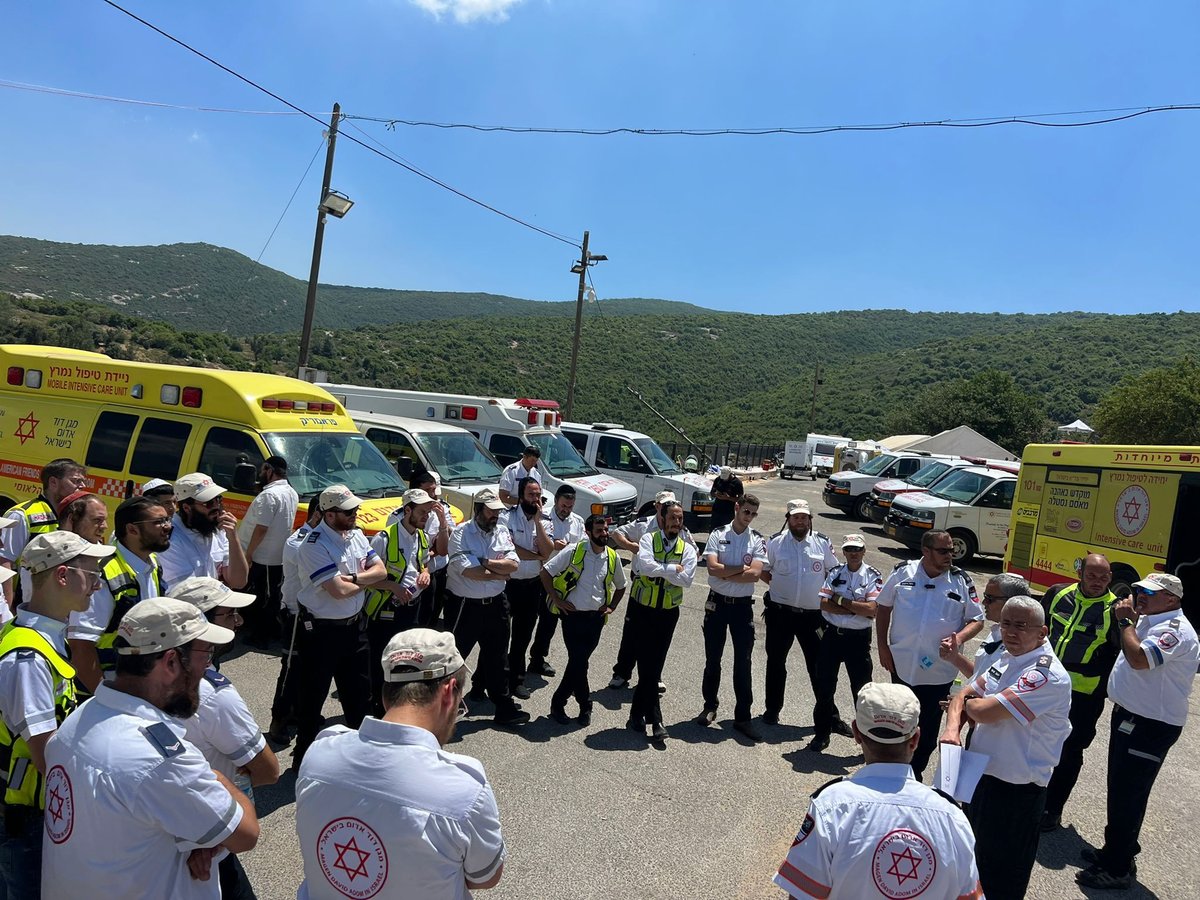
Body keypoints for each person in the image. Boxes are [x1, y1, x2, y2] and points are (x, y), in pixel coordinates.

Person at [41, 597, 259, 898]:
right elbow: (246, 834)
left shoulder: (78, 720)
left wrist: (201, 840)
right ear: (170, 662)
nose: (208, 665)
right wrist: (219, 779)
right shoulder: (159, 759)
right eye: (205, 653)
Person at [295, 629, 504, 899]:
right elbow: (485, 876)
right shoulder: (464, 789)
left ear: (386, 694)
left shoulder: (319, 753)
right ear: (450, 691)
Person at [773, 682, 981, 900]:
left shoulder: (831, 806)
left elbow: (802, 894)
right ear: (916, 739)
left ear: (856, 733)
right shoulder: (952, 817)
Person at [0, 533, 113, 896]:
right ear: (62, 576)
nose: (97, 586)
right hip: (25, 820)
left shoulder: (41, 637)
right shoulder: (28, 658)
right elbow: (46, 755)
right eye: (91, 575)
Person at [941, 596, 1071, 900]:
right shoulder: (1008, 657)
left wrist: (965, 706)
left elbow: (983, 711)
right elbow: (964, 693)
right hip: (982, 776)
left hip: (1016, 789)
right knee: (973, 861)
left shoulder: (1045, 674)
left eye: (1021, 626)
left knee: (1003, 877)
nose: (1011, 632)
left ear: (1043, 632)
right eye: (1007, 624)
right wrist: (953, 724)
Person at [1076, 572, 1199, 891]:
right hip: (1131, 716)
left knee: (1128, 795)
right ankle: (1118, 852)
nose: (1141, 595)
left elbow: (1140, 658)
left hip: (1151, 724)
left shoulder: (1174, 630)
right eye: (1140, 589)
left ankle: (1117, 870)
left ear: (1171, 599)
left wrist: (1125, 623)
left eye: (1151, 592)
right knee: (1119, 790)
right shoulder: (1150, 617)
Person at [170, 576, 278, 900]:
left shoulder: (148, 679)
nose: (239, 621)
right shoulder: (214, 694)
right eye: (229, 614)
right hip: (210, 836)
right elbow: (268, 771)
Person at [875, 530, 984, 778]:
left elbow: (976, 619)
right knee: (899, 718)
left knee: (928, 725)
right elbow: (883, 608)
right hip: (901, 663)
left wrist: (959, 638)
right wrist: (883, 646)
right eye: (944, 551)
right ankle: (894, 767)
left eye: (952, 550)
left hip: (938, 670)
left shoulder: (960, 580)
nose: (951, 555)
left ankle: (916, 772)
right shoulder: (903, 572)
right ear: (926, 551)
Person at [292, 486, 388, 767]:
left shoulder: (356, 535)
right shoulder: (313, 544)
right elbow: (337, 591)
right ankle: (303, 760)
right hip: (321, 632)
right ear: (329, 514)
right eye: (348, 512)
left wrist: (353, 579)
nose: (355, 514)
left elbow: (382, 571)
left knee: (360, 697)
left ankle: (359, 759)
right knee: (313, 699)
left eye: (355, 509)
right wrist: (363, 581)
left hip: (354, 628)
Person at [1038, 553, 1121, 832]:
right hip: (1044, 684)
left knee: (1070, 751)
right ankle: (1029, 796)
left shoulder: (1114, 610)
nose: (1098, 582)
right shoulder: (1058, 594)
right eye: (1092, 575)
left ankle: (1053, 809)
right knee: (1034, 741)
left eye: (1104, 577)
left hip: (1084, 694)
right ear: (1080, 574)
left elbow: (1118, 655)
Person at [68, 495, 170, 695]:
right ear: (132, 529)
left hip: (137, 682)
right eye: (158, 522)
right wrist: (104, 696)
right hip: (106, 687)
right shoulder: (102, 573)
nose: (167, 526)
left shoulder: (154, 563)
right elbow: (81, 645)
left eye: (167, 520)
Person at [444, 488, 528, 727]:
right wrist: (498, 575)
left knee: (498, 657)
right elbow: (469, 571)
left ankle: (503, 706)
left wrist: (486, 563)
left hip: (496, 605)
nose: (496, 516)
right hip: (465, 606)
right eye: (492, 511)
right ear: (479, 509)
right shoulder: (461, 534)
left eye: (498, 512)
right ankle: (445, 708)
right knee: (454, 657)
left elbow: (513, 564)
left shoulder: (501, 531)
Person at [760, 499, 839, 732]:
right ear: (788, 519)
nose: (800, 521)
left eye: (804, 517)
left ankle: (829, 716)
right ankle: (772, 710)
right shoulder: (775, 543)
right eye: (796, 517)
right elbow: (764, 570)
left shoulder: (822, 543)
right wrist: (778, 586)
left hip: (812, 616)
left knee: (818, 667)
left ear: (810, 520)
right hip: (780, 614)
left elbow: (833, 572)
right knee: (775, 663)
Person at [541, 515, 627, 725]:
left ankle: (562, 702)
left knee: (578, 662)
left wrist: (612, 606)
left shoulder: (612, 557)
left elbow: (621, 585)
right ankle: (581, 704)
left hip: (595, 619)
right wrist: (556, 599)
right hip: (572, 617)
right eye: (599, 531)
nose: (604, 534)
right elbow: (546, 572)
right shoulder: (574, 551)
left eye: (605, 530)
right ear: (588, 533)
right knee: (579, 661)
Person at [608, 490, 697, 692]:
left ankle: (653, 676)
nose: (674, 518)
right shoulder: (644, 525)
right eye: (663, 505)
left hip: (667, 598)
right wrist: (633, 547)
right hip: (642, 593)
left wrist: (659, 569)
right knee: (632, 637)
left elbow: (690, 567)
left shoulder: (681, 530)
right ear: (658, 506)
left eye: (677, 513)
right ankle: (622, 673)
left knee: (660, 643)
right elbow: (616, 533)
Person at [697, 495, 767, 741]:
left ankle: (743, 717)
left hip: (741, 608)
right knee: (713, 658)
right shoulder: (718, 533)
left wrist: (726, 573)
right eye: (746, 511)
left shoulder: (756, 539)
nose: (748, 517)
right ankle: (709, 706)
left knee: (743, 661)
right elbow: (712, 569)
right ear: (737, 508)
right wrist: (739, 570)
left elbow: (756, 575)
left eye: (753, 514)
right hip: (717, 604)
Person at [807, 533, 883, 752]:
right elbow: (824, 604)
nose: (853, 553)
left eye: (857, 549)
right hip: (833, 637)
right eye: (849, 549)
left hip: (858, 641)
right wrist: (854, 607)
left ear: (864, 551)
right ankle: (821, 734)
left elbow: (871, 610)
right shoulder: (835, 572)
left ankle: (868, 742)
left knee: (862, 692)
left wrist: (839, 600)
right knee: (824, 688)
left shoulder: (872, 575)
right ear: (844, 552)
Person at [627, 503, 697, 740]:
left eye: (680, 519)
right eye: (673, 518)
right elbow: (645, 568)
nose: (677, 523)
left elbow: (687, 579)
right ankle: (656, 720)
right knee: (648, 665)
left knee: (653, 665)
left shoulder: (686, 548)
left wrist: (661, 569)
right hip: (642, 609)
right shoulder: (649, 539)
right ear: (663, 518)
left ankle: (636, 714)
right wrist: (671, 569)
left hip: (667, 613)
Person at [366, 489, 434, 716]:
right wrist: (393, 587)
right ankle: (378, 706)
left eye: (428, 512)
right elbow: (367, 579)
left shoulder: (422, 536)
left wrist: (426, 574)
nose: (427, 516)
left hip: (411, 608)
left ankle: (398, 704)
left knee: (405, 658)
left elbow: (423, 563)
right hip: (386, 609)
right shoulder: (383, 539)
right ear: (407, 510)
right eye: (422, 512)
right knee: (382, 661)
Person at [267, 503, 321, 744]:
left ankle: (300, 713)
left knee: (311, 668)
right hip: (297, 614)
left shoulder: (327, 539)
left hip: (319, 615)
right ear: (319, 513)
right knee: (291, 669)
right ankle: (278, 720)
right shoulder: (297, 541)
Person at [1, 458, 88, 606]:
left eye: (82, 481)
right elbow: (4, 561)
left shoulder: (73, 516)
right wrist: (7, 608)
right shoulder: (23, 514)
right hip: (24, 605)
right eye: (75, 481)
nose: (82, 486)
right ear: (53, 482)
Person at [237, 455, 299, 647]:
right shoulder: (291, 492)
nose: (261, 474)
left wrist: (248, 555)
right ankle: (270, 630)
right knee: (271, 597)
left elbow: (261, 528)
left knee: (261, 598)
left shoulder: (269, 496)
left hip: (261, 556)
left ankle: (261, 636)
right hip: (276, 556)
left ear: (270, 470)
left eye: (263, 470)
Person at [527, 484, 586, 677]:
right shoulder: (543, 518)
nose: (566, 510)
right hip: (546, 578)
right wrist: (554, 547)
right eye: (563, 506)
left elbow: (584, 546)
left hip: (569, 581)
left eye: (570, 506)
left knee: (571, 623)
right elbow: (538, 547)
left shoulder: (577, 521)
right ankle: (536, 660)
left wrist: (569, 547)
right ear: (556, 502)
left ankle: (575, 662)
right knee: (546, 622)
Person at [501, 477, 552, 699]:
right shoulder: (506, 517)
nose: (536, 499)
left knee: (522, 637)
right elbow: (509, 550)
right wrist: (537, 555)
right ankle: (483, 681)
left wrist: (538, 523)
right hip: (507, 584)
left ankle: (516, 681)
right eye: (531, 495)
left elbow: (548, 550)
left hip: (532, 586)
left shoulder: (545, 520)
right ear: (521, 496)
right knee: (499, 636)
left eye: (538, 495)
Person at [158, 473, 249, 591]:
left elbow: (238, 582)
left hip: (213, 602)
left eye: (218, 499)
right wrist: (223, 588)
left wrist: (233, 538)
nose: (216, 507)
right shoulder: (170, 538)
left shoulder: (217, 529)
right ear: (187, 508)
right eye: (209, 503)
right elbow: (188, 592)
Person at [404, 471, 452, 628]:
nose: (434, 495)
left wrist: (443, 524)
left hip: (437, 571)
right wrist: (429, 551)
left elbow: (444, 548)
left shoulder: (441, 510)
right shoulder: (403, 514)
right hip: (413, 577)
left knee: (431, 617)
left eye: (434, 490)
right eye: (428, 491)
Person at [708, 465, 744, 531]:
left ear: (730, 474)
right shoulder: (718, 480)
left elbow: (741, 499)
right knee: (713, 530)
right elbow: (711, 493)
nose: (724, 479)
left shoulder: (737, 483)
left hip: (728, 513)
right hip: (716, 510)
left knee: (726, 531)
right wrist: (716, 495)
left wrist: (728, 498)